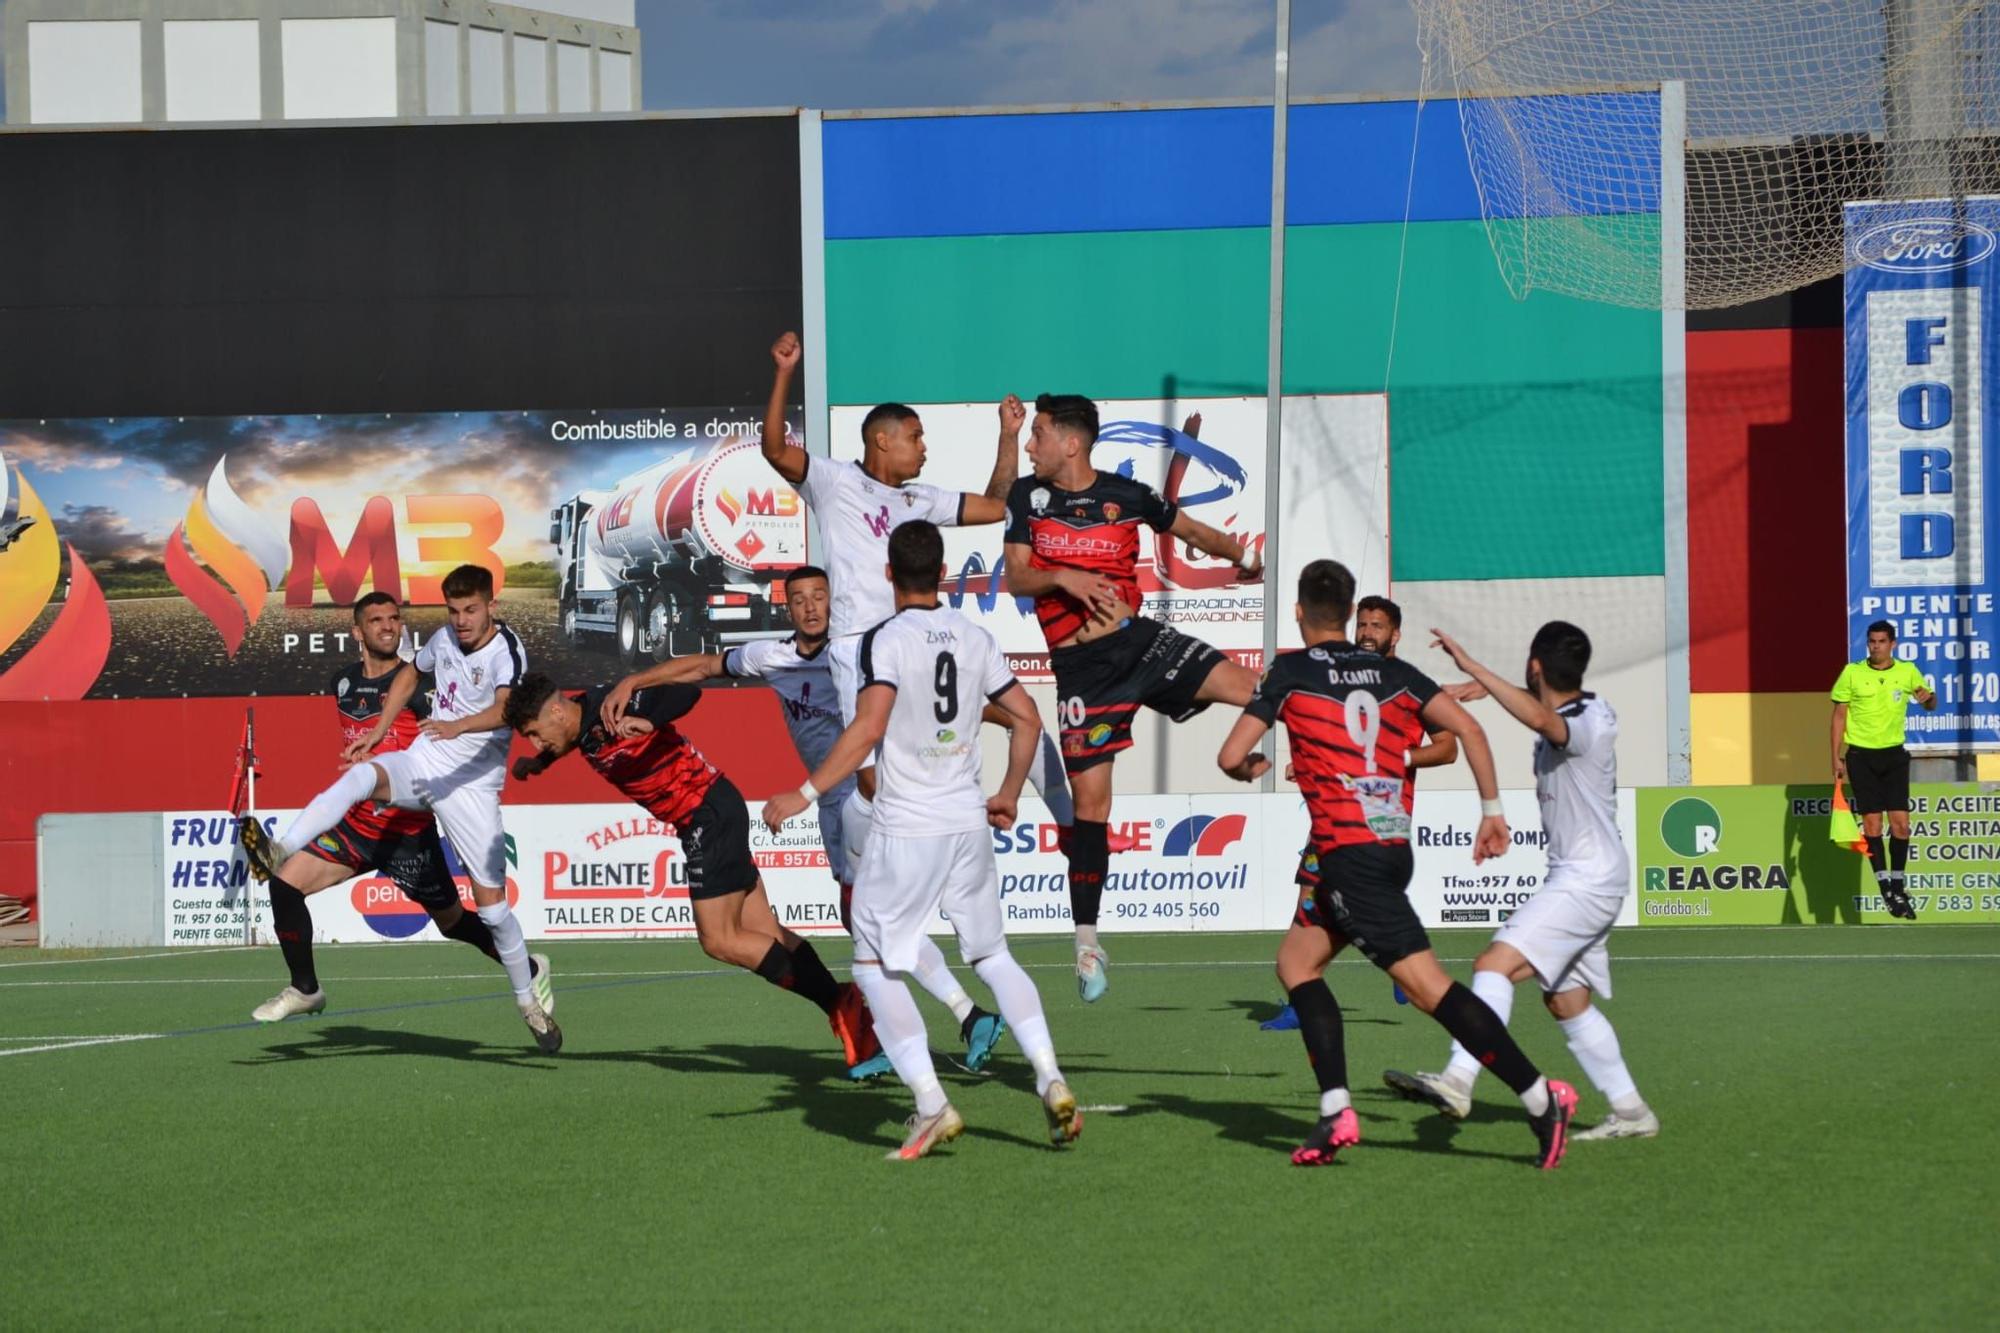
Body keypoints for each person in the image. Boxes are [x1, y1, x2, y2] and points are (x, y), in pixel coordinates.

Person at [1217, 559, 1578, 1169]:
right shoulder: (1398, 674)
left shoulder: (1291, 672)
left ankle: (1541, 1098)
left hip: (1352, 855)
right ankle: (1335, 1111)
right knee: (1297, 963)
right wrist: (1492, 809)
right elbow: (1468, 730)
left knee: (1428, 989)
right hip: (1377, 848)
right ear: (1350, 612)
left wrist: (1247, 768)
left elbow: (1231, 753)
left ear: (1300, 612)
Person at [599, 565, 1009, 1075]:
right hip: (835, 806)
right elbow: (704, 667)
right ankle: (953, 1021)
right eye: (800, 599)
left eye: (820, 596)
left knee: (870, 920)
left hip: (876, 797)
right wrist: (637, 677)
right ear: (787, 607)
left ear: (833, 600)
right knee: (867, 922)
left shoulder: (863, 652)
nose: (811, 606)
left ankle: (922, 1031)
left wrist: (1005, 714)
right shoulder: (774, 657)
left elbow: (931, 699)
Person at [762, 522, 1080, 1160]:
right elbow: (1026, 718)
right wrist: (1012, 791)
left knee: (872, 966)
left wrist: (802, 792)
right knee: (993, 957)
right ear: (942, 572)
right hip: (968, 820)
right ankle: (1050, 1077)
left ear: (887, 575)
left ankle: (932, 1104)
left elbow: (867, 729)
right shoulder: (974, 636)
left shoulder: (886, 639)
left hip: (908, 824)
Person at [753, 334, 1080, 953]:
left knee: (1020, 714)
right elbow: (773, 448)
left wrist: (1007, 436)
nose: (924, 446)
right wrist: (783, 373)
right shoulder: (830, 480)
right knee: (873, 782)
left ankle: (1073, 836)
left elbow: (996, 506)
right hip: (862, 651)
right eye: (917, 436)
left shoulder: (919, 499)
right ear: (883, 439)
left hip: (920, 641)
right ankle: (894, 892)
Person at [1003, 393, 1263, 1001]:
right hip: (1082, 670)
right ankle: (1087, 946)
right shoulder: (1026, 497)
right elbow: (1016, 575)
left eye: (1038, 433)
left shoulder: (1128, 495)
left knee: (1259, 689)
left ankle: (1288, 762)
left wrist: (1246, 557)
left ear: (1072, 441)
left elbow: (1190, 528)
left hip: (1142, 644)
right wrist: (1064, 576)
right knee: (1091, 808)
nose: (1030, 443)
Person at [239, 565, 555, 1052]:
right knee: (362, 777)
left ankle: (527, 997)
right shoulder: (443, 638)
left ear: (491, 605)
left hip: (469, 787)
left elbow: (507, 708)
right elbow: (411, 673)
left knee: (488, 914)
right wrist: (381, 730)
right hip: (423, 764)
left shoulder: (505, 650)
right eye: (453, 611)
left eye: (471, 610)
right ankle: (281, 850)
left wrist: (457, 726)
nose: (462, 620)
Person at [503, 672, 882, 1074]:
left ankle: (844, 1003)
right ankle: (855, 1022)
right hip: (715, 810)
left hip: (707, 814)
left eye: (534, 734)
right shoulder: (580, 719)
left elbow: (688, 692)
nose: (534, 742)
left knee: (719, 940)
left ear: (557, 712)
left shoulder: (616, 706)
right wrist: (540, 760)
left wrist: (651, 720)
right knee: (768, 933)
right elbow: (578, 737)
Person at [1383, 621, 1659, 1141]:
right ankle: (1631, 1111)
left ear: (1535, 667)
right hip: (1585, 874)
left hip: (1587, 878)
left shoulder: (1588, 719)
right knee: (1565, 1001)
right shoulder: (1579, 706)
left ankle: (1459, 1077)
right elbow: (1541, 709)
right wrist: (1483, 687)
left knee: (1493, 965)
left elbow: (1543, 719)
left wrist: (1475, 669)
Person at [1262, 594, 1456, 1030]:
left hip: (1378, 814)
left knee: (1339, 895)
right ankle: (1310, 994)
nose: (1368, 633)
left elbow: (1448, 748)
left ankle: (1394, 966)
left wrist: (1399, 758)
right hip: (1334, 808)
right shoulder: (1346, 679)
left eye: (1378, 626)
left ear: (1396, 634)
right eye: (1363, 625)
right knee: (1312, 890)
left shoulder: (1407, 683)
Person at [1831, 620, 1935, 920]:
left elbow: (1929, 701)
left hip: (1894, 756)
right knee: (1873, 826)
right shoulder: (1852, 672)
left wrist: (1928, 700)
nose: (1875, 646)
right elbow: (1838, 717)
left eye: (1881, 641)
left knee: (1901, 825)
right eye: (1872, 641)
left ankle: (1898, 884)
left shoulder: (1906, 670)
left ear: (1893, 644)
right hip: (1861, 757)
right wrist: (1835, 757)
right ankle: (1886, 890)